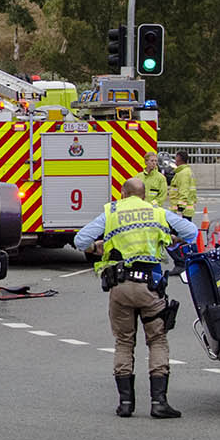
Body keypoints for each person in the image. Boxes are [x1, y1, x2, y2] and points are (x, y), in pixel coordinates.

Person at [74, 177, 198, 419]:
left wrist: (97, 247)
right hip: (149, 287)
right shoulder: (156, 211)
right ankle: (158, 402)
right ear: (143, 195)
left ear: (123, 193)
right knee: (157, 341)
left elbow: (80, 240)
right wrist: (172, 239)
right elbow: (191, 232)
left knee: (124, 342)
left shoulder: (112, 211)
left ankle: (126, 404)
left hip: (119, 287)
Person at [167, 152, 197, 220]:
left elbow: (184, 191)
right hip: (186, 210)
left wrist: (180, 209)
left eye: (175, 158)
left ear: (179, 159)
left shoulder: (183, 173)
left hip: (182, 211)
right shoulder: (187, 171)